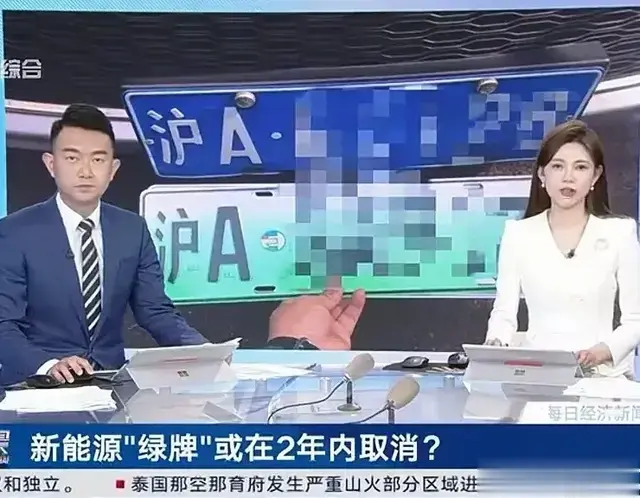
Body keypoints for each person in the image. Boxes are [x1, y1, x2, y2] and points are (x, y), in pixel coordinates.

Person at [0, 104, 366, 385]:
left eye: (98, 159)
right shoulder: (14, 233)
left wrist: (204, 352)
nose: (85, 171)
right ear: (51, 164)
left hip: (107, 385)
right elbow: (3, 324)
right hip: (35, 386)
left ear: (113, 170)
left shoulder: (131, 229)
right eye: (72, 158)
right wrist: (48, 365)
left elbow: (155, 312)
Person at [484, 120, 640, 378]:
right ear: (542, 175)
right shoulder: (518, 234)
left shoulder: (620, 233)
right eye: (558, 166)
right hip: (538, 375)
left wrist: (602, 351)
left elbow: (635, 320)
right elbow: (504, 314)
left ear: (595, 176)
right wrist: (495, 344)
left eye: (580, 167)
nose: (568, 177)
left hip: (601, 376)